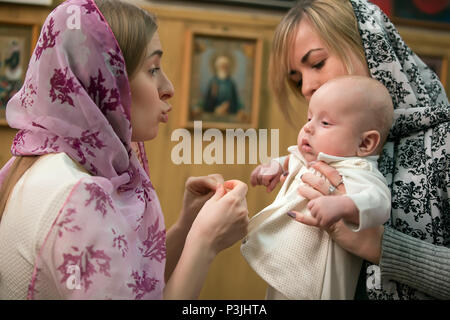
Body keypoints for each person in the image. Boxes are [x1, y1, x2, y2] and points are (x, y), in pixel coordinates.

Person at [0, 0, 249, 299]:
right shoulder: (78, 196)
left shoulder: (41, 166)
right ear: (102, 82)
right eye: (153, 69)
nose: (168, 87)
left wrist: (186, 227)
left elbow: (126, 282)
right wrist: (205, 242)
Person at [252, 0, 449, 299]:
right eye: (297, 79)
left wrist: (379, 245)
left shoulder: (444, 141)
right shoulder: (330, 144)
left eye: (317, 63)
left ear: (371, 46)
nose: (306, 87)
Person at [243, 75, 393, 299]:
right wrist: (274, 166)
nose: (307, 128)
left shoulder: (358, 170)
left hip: (324, 284)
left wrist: (344, 205)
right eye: (309, 117)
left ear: (365, 143)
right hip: (290, 269)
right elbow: (291, 157)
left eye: (324, 123)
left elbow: (379, 203)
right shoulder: (311, 158)